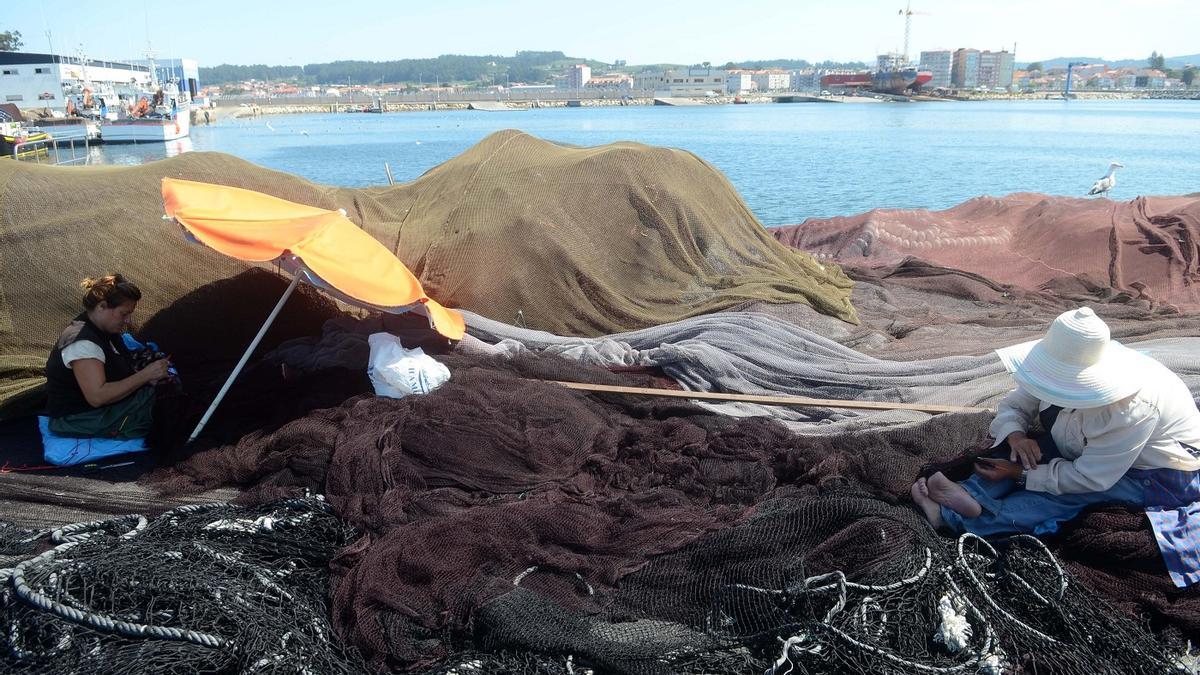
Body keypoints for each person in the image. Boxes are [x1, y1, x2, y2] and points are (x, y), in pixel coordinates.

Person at [911, 307, 1200, 586]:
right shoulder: (1063, 360)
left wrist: (1018, 474)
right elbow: (1016, 404)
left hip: (1151, 472)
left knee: (1065, 499)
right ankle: (970, 495)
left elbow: (1090, 477)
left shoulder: (1129, 409)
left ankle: (956, 519)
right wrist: (1016, 437)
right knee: (1021, 454)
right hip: (1085, 444)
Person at [45, 275, 169, 439]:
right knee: (162, 409)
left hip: (94, 410)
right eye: (123, 314)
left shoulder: (104, 328)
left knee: (163, 393)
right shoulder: (82, 344)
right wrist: (146, 375)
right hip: (78, 418)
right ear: (102, 306)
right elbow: (98, 396)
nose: (128, 320)